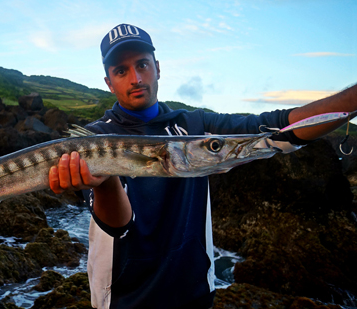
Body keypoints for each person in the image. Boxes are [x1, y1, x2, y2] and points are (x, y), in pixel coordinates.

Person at [48, 23, 357, 309]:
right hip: (123, 300)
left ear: (157, 67)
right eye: (121, 70)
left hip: (194, 295)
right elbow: (118, 225)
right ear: (109, 82)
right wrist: (105, 182)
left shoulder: (195, 125)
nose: (136, 78)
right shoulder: (93, 139)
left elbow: (277, 129)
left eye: (142, 64)